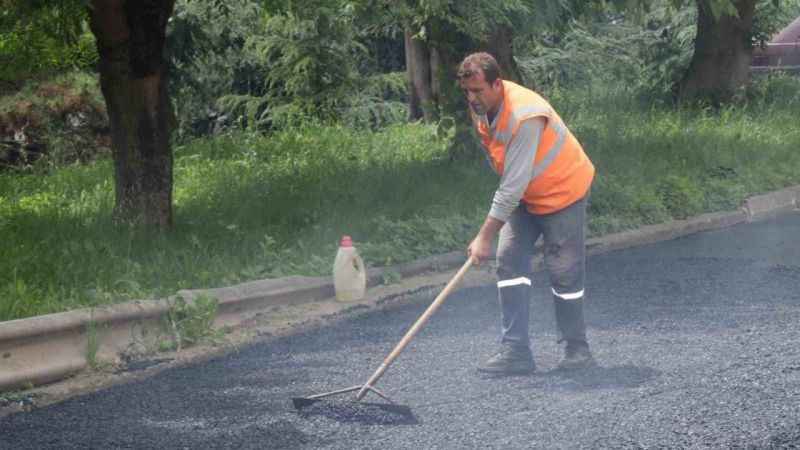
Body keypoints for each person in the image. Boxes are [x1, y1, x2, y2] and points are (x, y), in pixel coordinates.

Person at [457, 52, 596, 375]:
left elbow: (511, 185)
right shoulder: (482, 108)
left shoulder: (525, 114)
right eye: (467, 91)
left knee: (563, 268)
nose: (472, 98)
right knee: (509, 260)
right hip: (526, 192)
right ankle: (516, 351)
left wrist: (483, 237)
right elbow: (508, 171)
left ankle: (577, 351)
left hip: (563, 189)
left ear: (497, 83)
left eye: (478, 90)